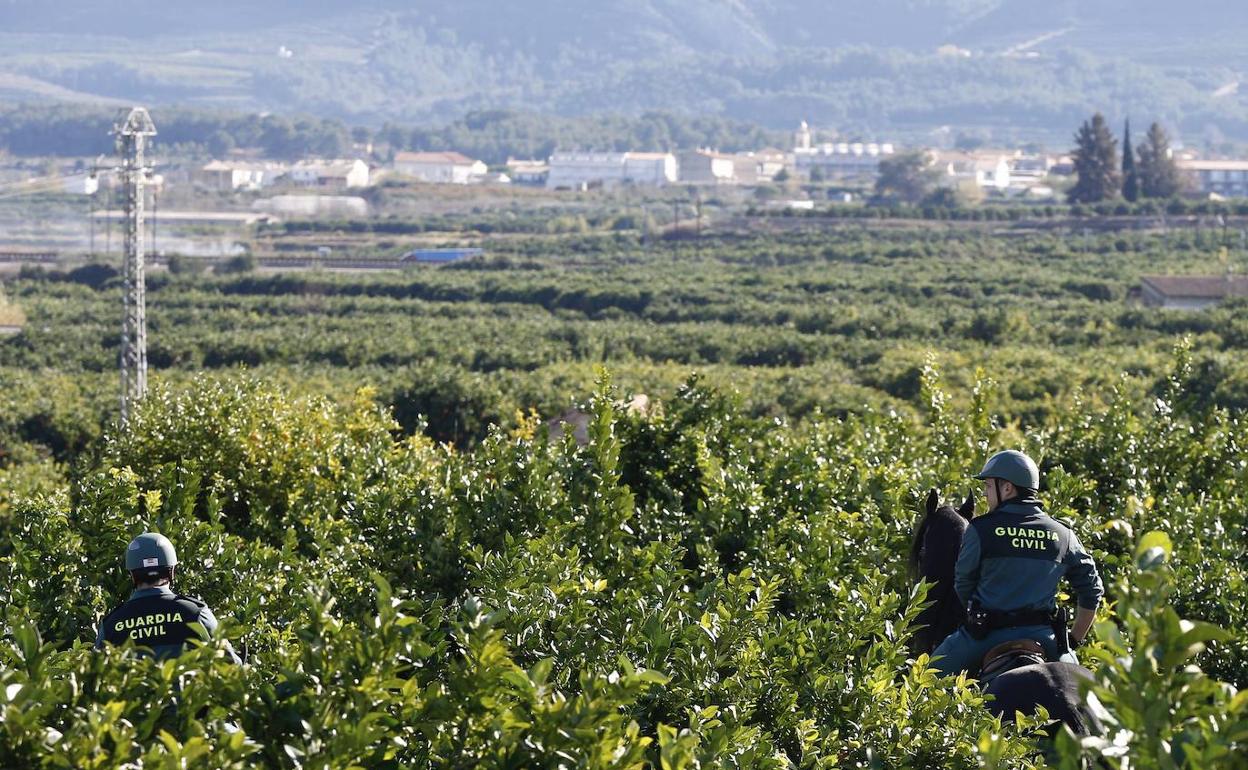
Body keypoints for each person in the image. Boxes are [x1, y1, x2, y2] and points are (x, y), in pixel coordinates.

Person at [932, 450, 1102, 676]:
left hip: (984, 636)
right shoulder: (1063, 534)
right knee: (1081, 691)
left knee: (927, 679)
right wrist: (1072, 640)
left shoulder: (981, 529)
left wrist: (978, 616)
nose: (985, 494)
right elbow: (1092, 589)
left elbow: (963, 583)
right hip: (1043, 637)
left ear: (1007, 488)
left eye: (989, 487)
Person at [96, 532, 240, 663]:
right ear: (171, 571)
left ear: (132, 575)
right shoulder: (195, 612)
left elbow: (96, 675)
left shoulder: (111, 624)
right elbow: (232, 665)